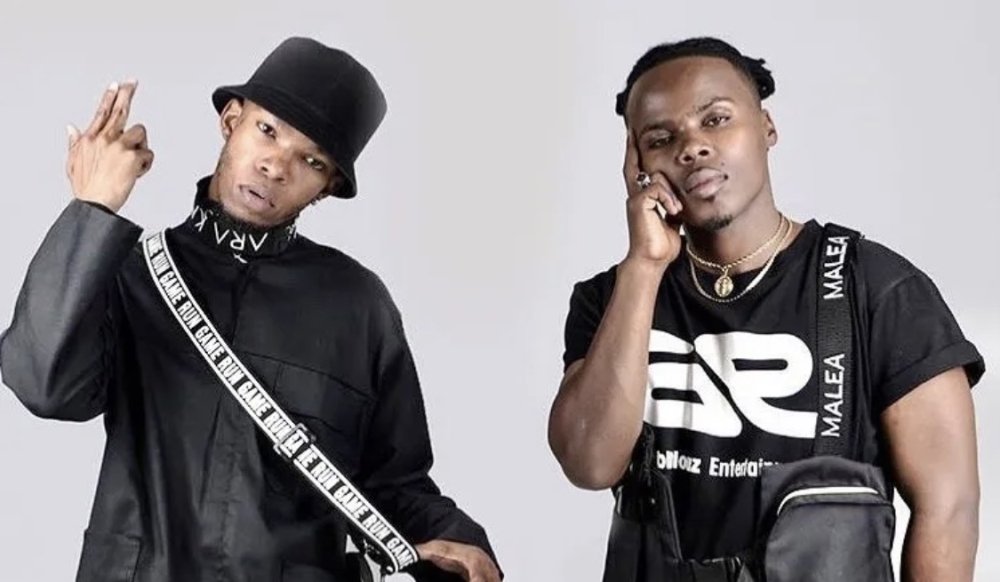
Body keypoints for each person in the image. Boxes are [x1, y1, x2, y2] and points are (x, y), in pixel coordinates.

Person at [0, 36, 502, 582]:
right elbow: (42, 384)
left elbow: (392, 483)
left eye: (310, 160)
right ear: (231, 121)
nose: (276, 166)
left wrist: (461, 543)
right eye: (267, 130)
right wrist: (93, 209)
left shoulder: (358, 306)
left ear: (327, 186)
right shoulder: (132, 271)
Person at [547, 36, 984, 581]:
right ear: (636, 164)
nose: (693, 147)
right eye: (661, 138)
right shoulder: (612, 299)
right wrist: (644, 265)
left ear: (767, 126)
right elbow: (589, 464)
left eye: (715, 119)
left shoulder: (877, 288)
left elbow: (949, 508)